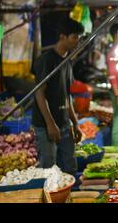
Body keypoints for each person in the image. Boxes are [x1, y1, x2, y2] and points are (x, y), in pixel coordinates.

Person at [32, 18, 84, 175]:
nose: (77, 42)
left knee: (69, 166)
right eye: (75, 37)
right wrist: (50, 124)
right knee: (48, 168)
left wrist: (75, 123)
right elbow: (39, 93)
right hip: (45, 124)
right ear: (63, 37)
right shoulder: (46, 60)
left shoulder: (67, 62)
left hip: (64, 123)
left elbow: (66, 96)